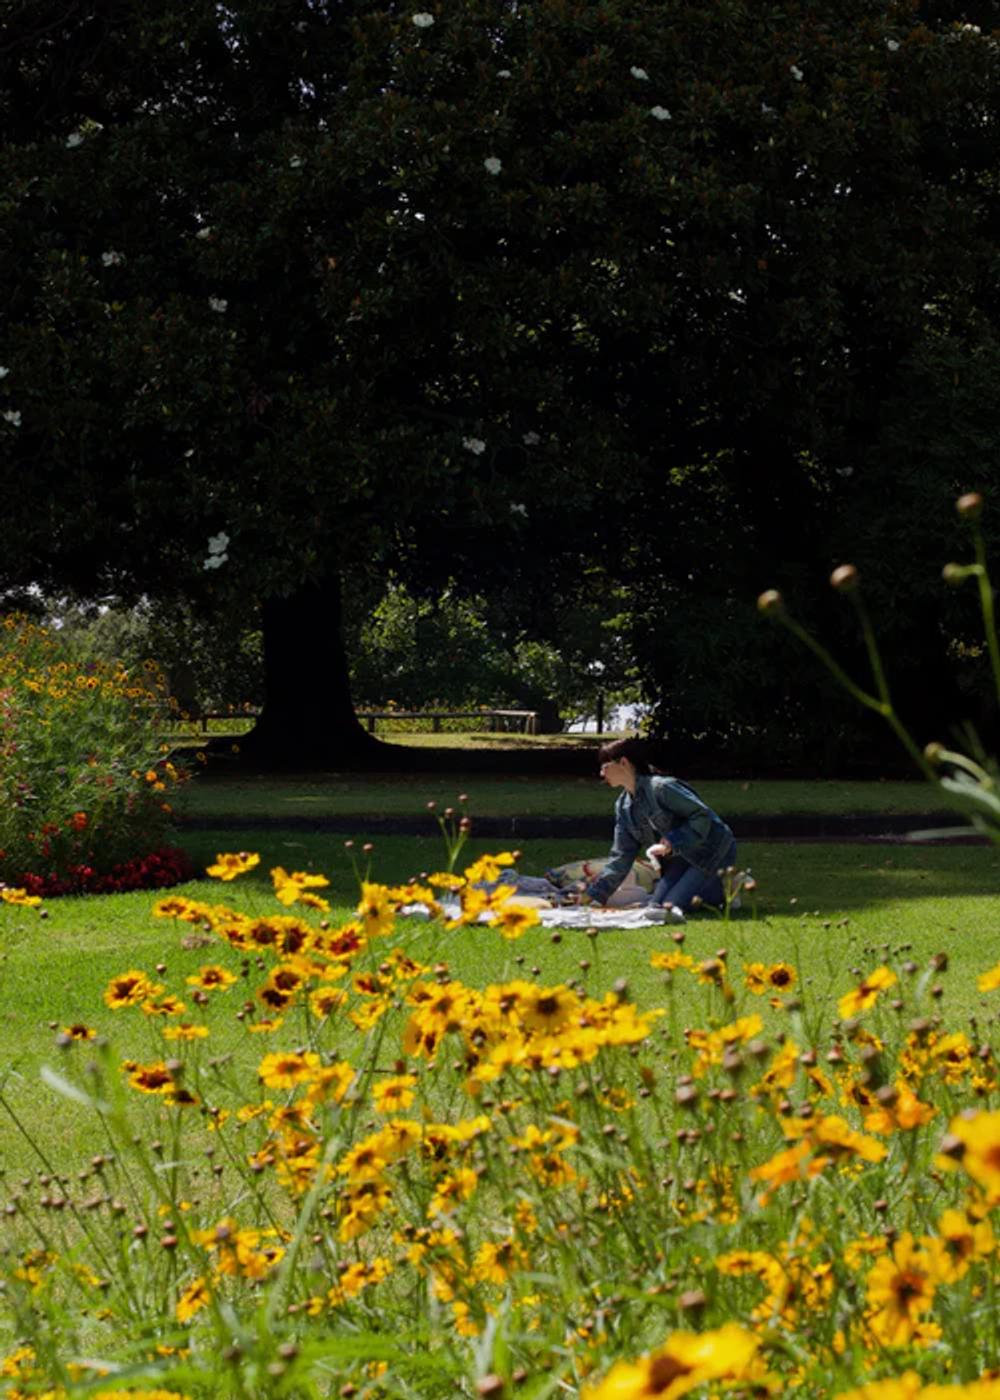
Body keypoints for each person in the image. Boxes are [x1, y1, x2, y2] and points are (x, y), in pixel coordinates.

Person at [581, 738, 737, 914]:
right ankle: (709, 887)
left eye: (605, 766)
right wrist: (597, 894)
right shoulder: (623, 807)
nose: (601, 773)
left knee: (671, 906)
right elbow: (622, 854)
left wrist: (672, 840)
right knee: (656, 907)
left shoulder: (662, 788)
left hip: (711, 851)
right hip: (680, 859)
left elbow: (701, 815)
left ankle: (720, 890)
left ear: (623, 762)